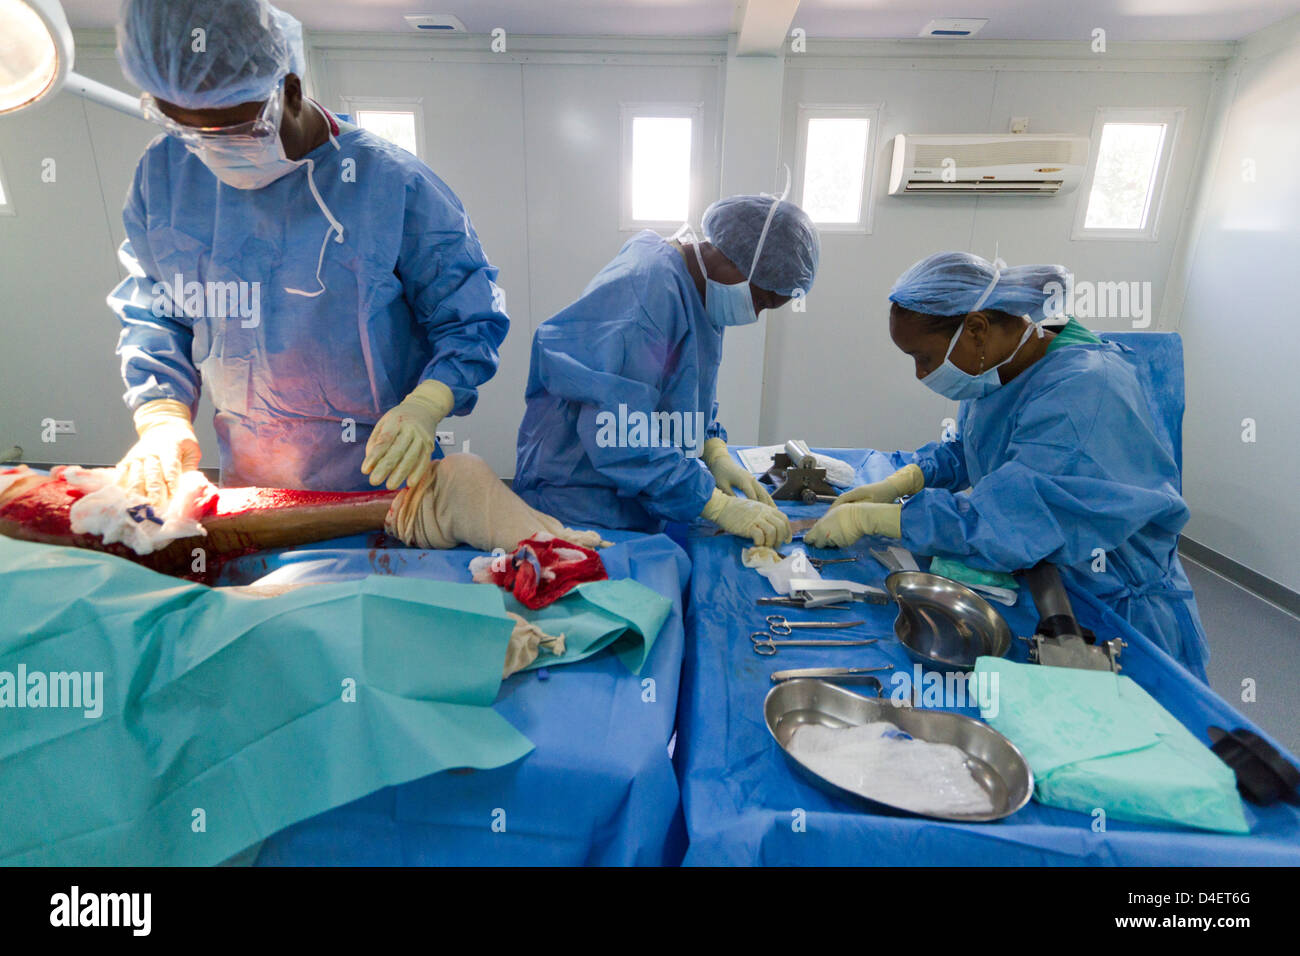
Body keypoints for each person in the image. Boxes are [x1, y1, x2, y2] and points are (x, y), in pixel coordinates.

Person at [109, 0, 507, 507]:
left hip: (380, 481)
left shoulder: (391, 185)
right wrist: (161, 414)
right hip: (251, 481)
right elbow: (156, 306)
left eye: (239, 130)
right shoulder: (165, 175)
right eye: (190, 134)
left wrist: (426, 404)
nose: (216, 153)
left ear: (290, 92)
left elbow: (468, 319)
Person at [806, 252, 1210, 680]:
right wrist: (909, 477)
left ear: (977, 328)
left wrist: (885, 518)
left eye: (923, 357)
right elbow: (975, 447)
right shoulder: (1013, 357)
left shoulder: (1084, 392)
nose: (921, 373)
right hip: (1046, 574)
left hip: (1112, 609)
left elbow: (1004, 520)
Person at [513, 194, 820, 546]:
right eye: (762, 300)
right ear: (732, 259)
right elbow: (615, 428)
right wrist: (715, 505)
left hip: (629, 494)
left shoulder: (698, 292)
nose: (755, 314)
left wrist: (712, 447)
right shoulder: (645, 294)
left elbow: (682, 393)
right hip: (579, 499)